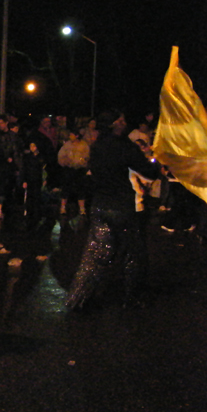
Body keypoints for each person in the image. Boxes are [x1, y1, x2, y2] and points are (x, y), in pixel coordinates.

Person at [65, 110, 160, 310]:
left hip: (100, 205)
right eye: (121, 120)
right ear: (113, 124)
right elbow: (149, 172)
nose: (124, 124)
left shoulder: (97, 147)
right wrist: (156, 163)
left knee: (94, 255)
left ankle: (78, 298)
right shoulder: (126, 147)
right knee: (133, 253)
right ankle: (132, 297)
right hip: (123, 206)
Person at [57, 129, 90, 216]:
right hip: (69, 169)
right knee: (66, 187)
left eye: (72, 135)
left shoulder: (84, 145)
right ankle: (63, 207)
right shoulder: (67, 145)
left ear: (77, 136)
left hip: (79, 170)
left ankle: (82, 208)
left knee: (81, 188)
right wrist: (64, 161)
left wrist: (82, 161)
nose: (70, 136)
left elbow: (87, 156)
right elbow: (60, 155)